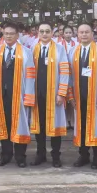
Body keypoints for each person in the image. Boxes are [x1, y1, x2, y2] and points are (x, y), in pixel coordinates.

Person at [0, 22, 35, 167]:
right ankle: (6, 154)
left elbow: (30, 76)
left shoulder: (26, 52)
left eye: (11, 34)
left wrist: (29, 96)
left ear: (17, 35)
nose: (8, 36)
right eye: (6, 33)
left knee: (20, 124)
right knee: (5, 124)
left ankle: (20, 156)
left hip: (19, 95)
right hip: (2, 95)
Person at [69, 23, 97, 169]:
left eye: (87, 32)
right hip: (79, 96)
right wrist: (71, 97)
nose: (84, 35)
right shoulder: (73, 51)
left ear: (92, 34)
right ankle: (83, 155)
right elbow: (69, 76)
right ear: (77, 35)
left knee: (96, 127)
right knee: (81, 126)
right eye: (81, 32)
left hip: (96, 96)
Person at [28, 22, 69, 167]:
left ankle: (56, 156)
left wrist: (61, 93)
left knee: (55, 126)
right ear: (38, 33)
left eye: (47, 31)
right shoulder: (33, 49)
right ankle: (40, 154)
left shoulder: (59, 49)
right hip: (37, 94)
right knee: (39, 127)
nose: (44, 34)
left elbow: (65, 72)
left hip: (54, 95)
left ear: (52, 33)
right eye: (41, 31)